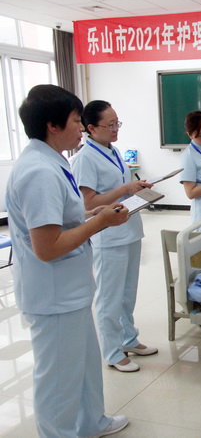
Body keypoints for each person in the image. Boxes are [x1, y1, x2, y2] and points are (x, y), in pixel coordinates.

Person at [6, 84, 130, 436]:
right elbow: (47, 247)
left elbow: (64, 218)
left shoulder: (53, 161)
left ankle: (91, 422)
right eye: (76, 120)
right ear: (52, 125)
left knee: (85, 365)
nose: (81, 128)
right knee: (59, 379)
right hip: (54, 295)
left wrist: (94, 212)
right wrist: (100, 223)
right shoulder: (39, 172)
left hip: (70, 291)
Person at [71, 100, 158, 373]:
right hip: (108, 236)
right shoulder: (85, 158)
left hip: (129, 228)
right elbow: (88, 202)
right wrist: (125, 188)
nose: (115, 129)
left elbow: (119, 188)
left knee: (127, 294)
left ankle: (128, 339)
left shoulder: (114, 150)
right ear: (91, 128)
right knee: (109, 297)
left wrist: (135, 188)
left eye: (117, 123)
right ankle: (111, 351)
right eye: (110, 125)